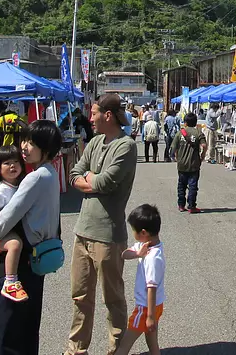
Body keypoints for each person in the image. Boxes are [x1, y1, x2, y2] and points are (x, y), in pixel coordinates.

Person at [0, 120, 62, 355]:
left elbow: (7, 216)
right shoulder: (49, 173)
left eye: (31, 143)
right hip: (35, 259)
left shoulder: (34, 178)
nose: (24, 147)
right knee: (26, 327)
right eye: (24, 140)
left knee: (7, 330)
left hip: (22, 259)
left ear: (45, 148)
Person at [66, 93, 138, 355]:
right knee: (80, 297)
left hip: (108, 234)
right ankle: (76, 348)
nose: (90, 118)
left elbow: (107, 182)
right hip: (82, 231)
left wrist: (89, 180)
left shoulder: (126, 146)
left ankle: (117, 349)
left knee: (113, 299)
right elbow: (74, 173)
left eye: (94, 113)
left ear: (107, 115)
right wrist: (89, 179)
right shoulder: (95, 142)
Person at [113, 205, 165, 355]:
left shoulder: (153, 258)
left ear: (143, 232)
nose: (133, 234)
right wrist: (137, 254)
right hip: (154, 307)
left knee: (125, 344)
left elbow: (151, 287)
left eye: (134, 230)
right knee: (151, 339)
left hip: (145, 308)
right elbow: (124, 254)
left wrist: (150, 316)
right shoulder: (145, 245)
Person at [0, 145, 28, 302]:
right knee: (15, 244)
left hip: (5, 228)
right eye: (7, 163)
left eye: (16, 161)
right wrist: (4, 216)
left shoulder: (18, 186)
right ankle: (10, 282)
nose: (12, 166)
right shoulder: (0, 189)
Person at [172, 112, 206, 213]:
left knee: (181, 185)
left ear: (185, 123)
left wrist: (177, 157)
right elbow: (204, 145)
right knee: (193, 186)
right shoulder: (198, 133)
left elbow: (174, 148)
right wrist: (202, 156)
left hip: (182, 164)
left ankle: (181, 205)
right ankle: (192, 206)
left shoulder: (180, 133)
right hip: (194, 164)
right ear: (195, 123)